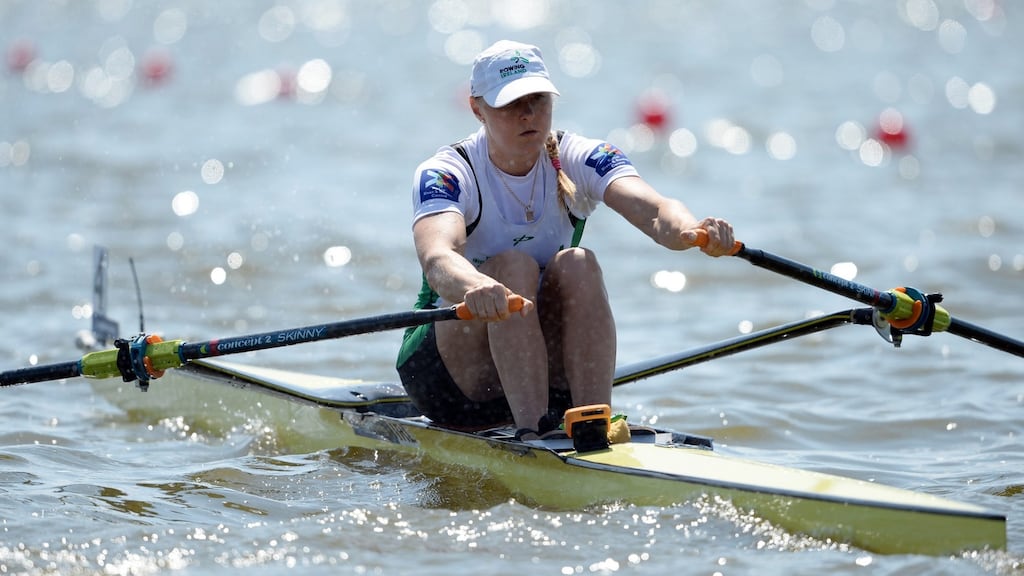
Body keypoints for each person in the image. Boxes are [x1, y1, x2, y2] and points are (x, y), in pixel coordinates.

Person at [396, 40, 735, 438]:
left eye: (537, 99)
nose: (528, 114)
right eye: (510, 103)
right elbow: (438, 257)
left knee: (579, 262)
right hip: (449, 381)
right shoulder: (447, 172)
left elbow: (656, 209)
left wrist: (691, 233)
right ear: (477, 109)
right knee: (513, 268)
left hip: (534, 365)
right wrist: (477, 286)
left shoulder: (582, 156)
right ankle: (532, 432)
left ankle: (592, 423)